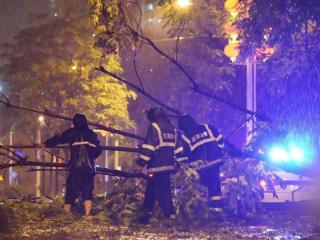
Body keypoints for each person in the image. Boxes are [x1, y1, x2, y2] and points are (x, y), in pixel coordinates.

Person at [43, 113, 102, 217]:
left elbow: (59, 138)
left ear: (74, 123)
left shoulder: (72, 133)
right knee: (88, 190)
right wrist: (91, 158)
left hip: (76, 167)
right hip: (89, 168)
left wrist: (45, 144)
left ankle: (66, 214)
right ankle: (87, 214)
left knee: (71, 190)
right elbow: (98, 150)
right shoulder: (92, 134)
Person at [136, 106, 179, 224]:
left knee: (159, 190)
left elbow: (149, 146)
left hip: (156, 165)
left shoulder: (154, 127)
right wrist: (178, 163)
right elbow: (176, 147)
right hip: (168, 165)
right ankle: (149, 213)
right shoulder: (172, 129)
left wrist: (141, 162)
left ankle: (168, 214)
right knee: (154, 189)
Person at [176, 114, 225, 212]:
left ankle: (203, 210)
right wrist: (219, 152)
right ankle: (216, 210)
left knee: (201, 187)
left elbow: (182, 155)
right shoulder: (208, 127)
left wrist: (183, 166)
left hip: (200, 167)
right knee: (215, 185)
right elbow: (221, 141)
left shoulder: (185, 136)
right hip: (215, 162)